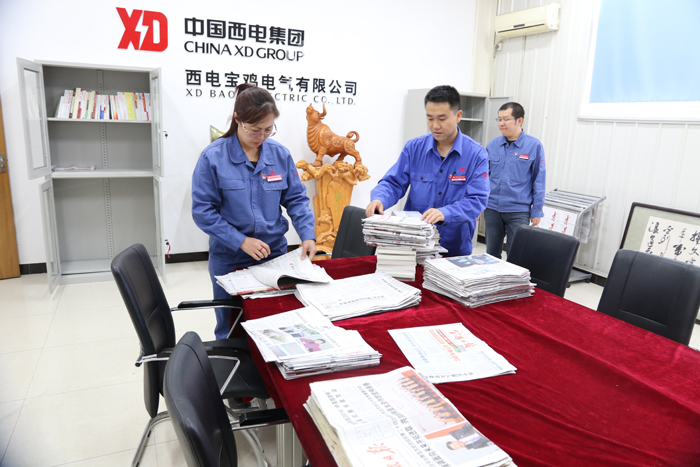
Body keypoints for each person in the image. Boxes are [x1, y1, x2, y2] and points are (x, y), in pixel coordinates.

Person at [192, 83, 316, 340]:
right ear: (237, 119)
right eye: (254, 130)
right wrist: (241, 241)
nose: (261, 136)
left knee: (276, 322)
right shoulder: (213, 157)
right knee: (232, 325)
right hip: (230, 257)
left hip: (273, 255)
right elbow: (203, 211)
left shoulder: (280, 155)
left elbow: (296, 199)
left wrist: (307, 235)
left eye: (268, 129)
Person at [365, 85, 489, 256]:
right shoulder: (414, 148)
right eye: (430, 118)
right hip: (413, 243)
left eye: (442, 119)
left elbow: (477, 200)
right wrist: (379, 198)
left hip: (454, 247)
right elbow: (394, 182)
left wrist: (445, 213)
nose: (435, 125)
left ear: (458, 116)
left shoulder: (476, 154)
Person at [484, 102, 546, 259]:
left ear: (519, 121)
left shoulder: (534, 146)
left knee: (516, 255)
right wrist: (478, 204)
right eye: (499, 119)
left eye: (506, 119)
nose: (501, 123)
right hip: (492, 209)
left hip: (518, 211)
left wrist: (537, 210)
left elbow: (539, 179)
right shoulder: (492, 145)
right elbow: (483, 178)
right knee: (491, 254)